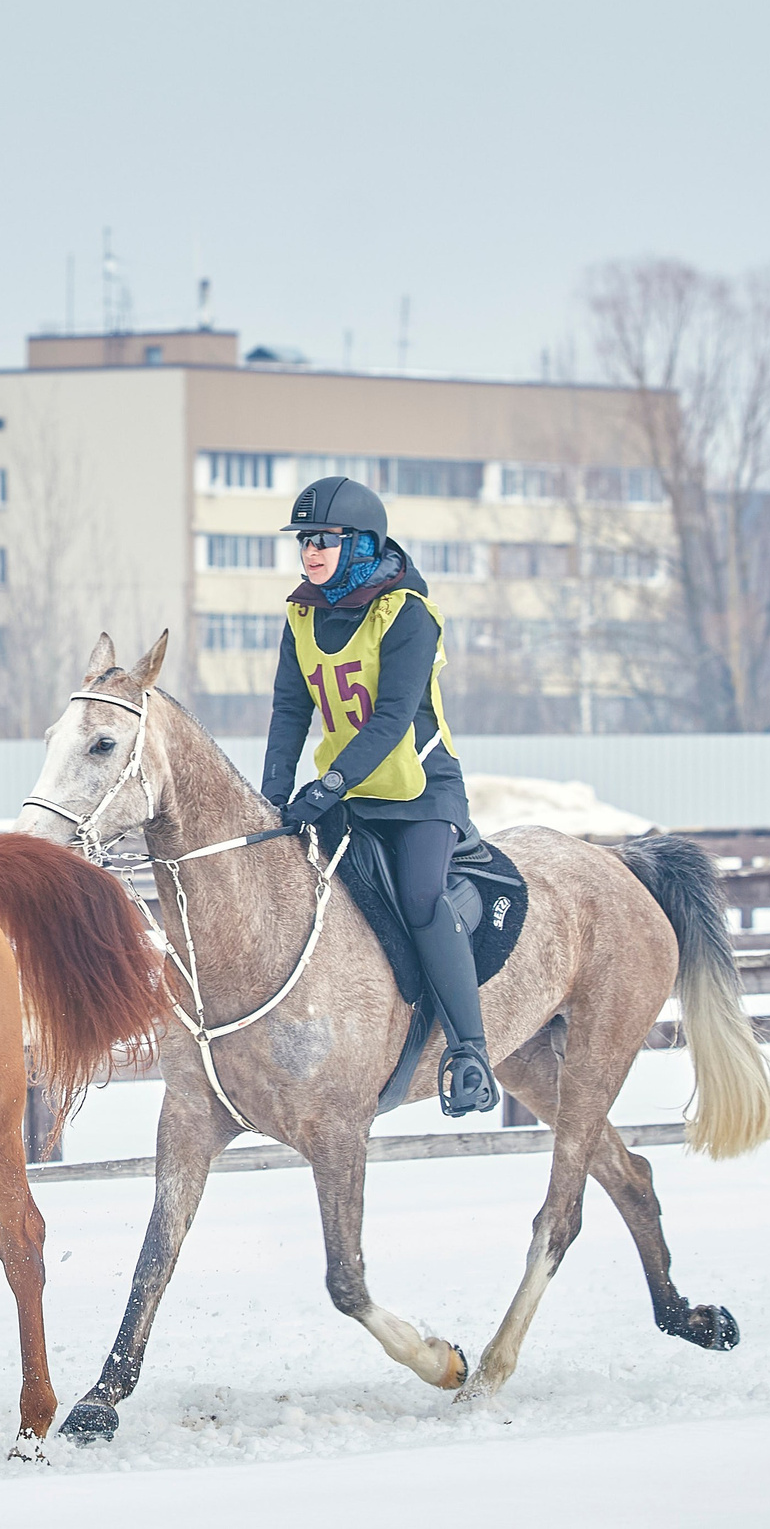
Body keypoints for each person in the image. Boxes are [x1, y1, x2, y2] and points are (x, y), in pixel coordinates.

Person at [261, 475, 499, 1116]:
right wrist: (272, 797)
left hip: (420, 794)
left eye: (324, 540)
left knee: (421, 898)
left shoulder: (408, 614)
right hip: (347, 796)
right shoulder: (302, 614)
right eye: (304, 541)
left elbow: (392, 718)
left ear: (362, 543)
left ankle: (470, 1053)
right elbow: (289, 713)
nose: (310, 552)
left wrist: (330, 782)